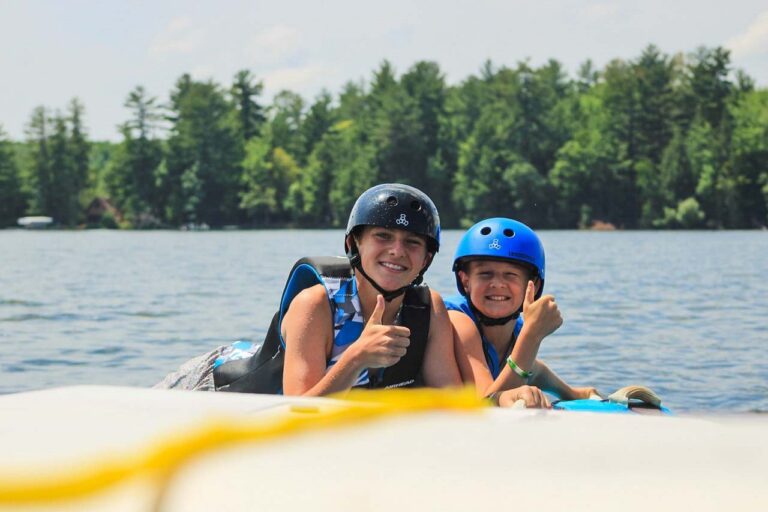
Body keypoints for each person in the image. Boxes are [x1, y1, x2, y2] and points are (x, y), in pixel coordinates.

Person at [280, 183, 462, 395]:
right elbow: (297, 412)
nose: (397, 251)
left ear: (426, 260)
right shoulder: (315, 305)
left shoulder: (427, 308)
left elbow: (453, 403)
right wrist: (357, 356)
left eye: (412, 242)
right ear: (354, 244)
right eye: (383, 236)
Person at [445, 217, 597, 408]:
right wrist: (532, 335)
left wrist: (571, 393)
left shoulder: (517, 329)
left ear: (533, 285)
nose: (497, 284)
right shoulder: (457, 321)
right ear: (466, 281)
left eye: (510, 275)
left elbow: (535, 370)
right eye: (485, 274)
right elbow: (487, 404)